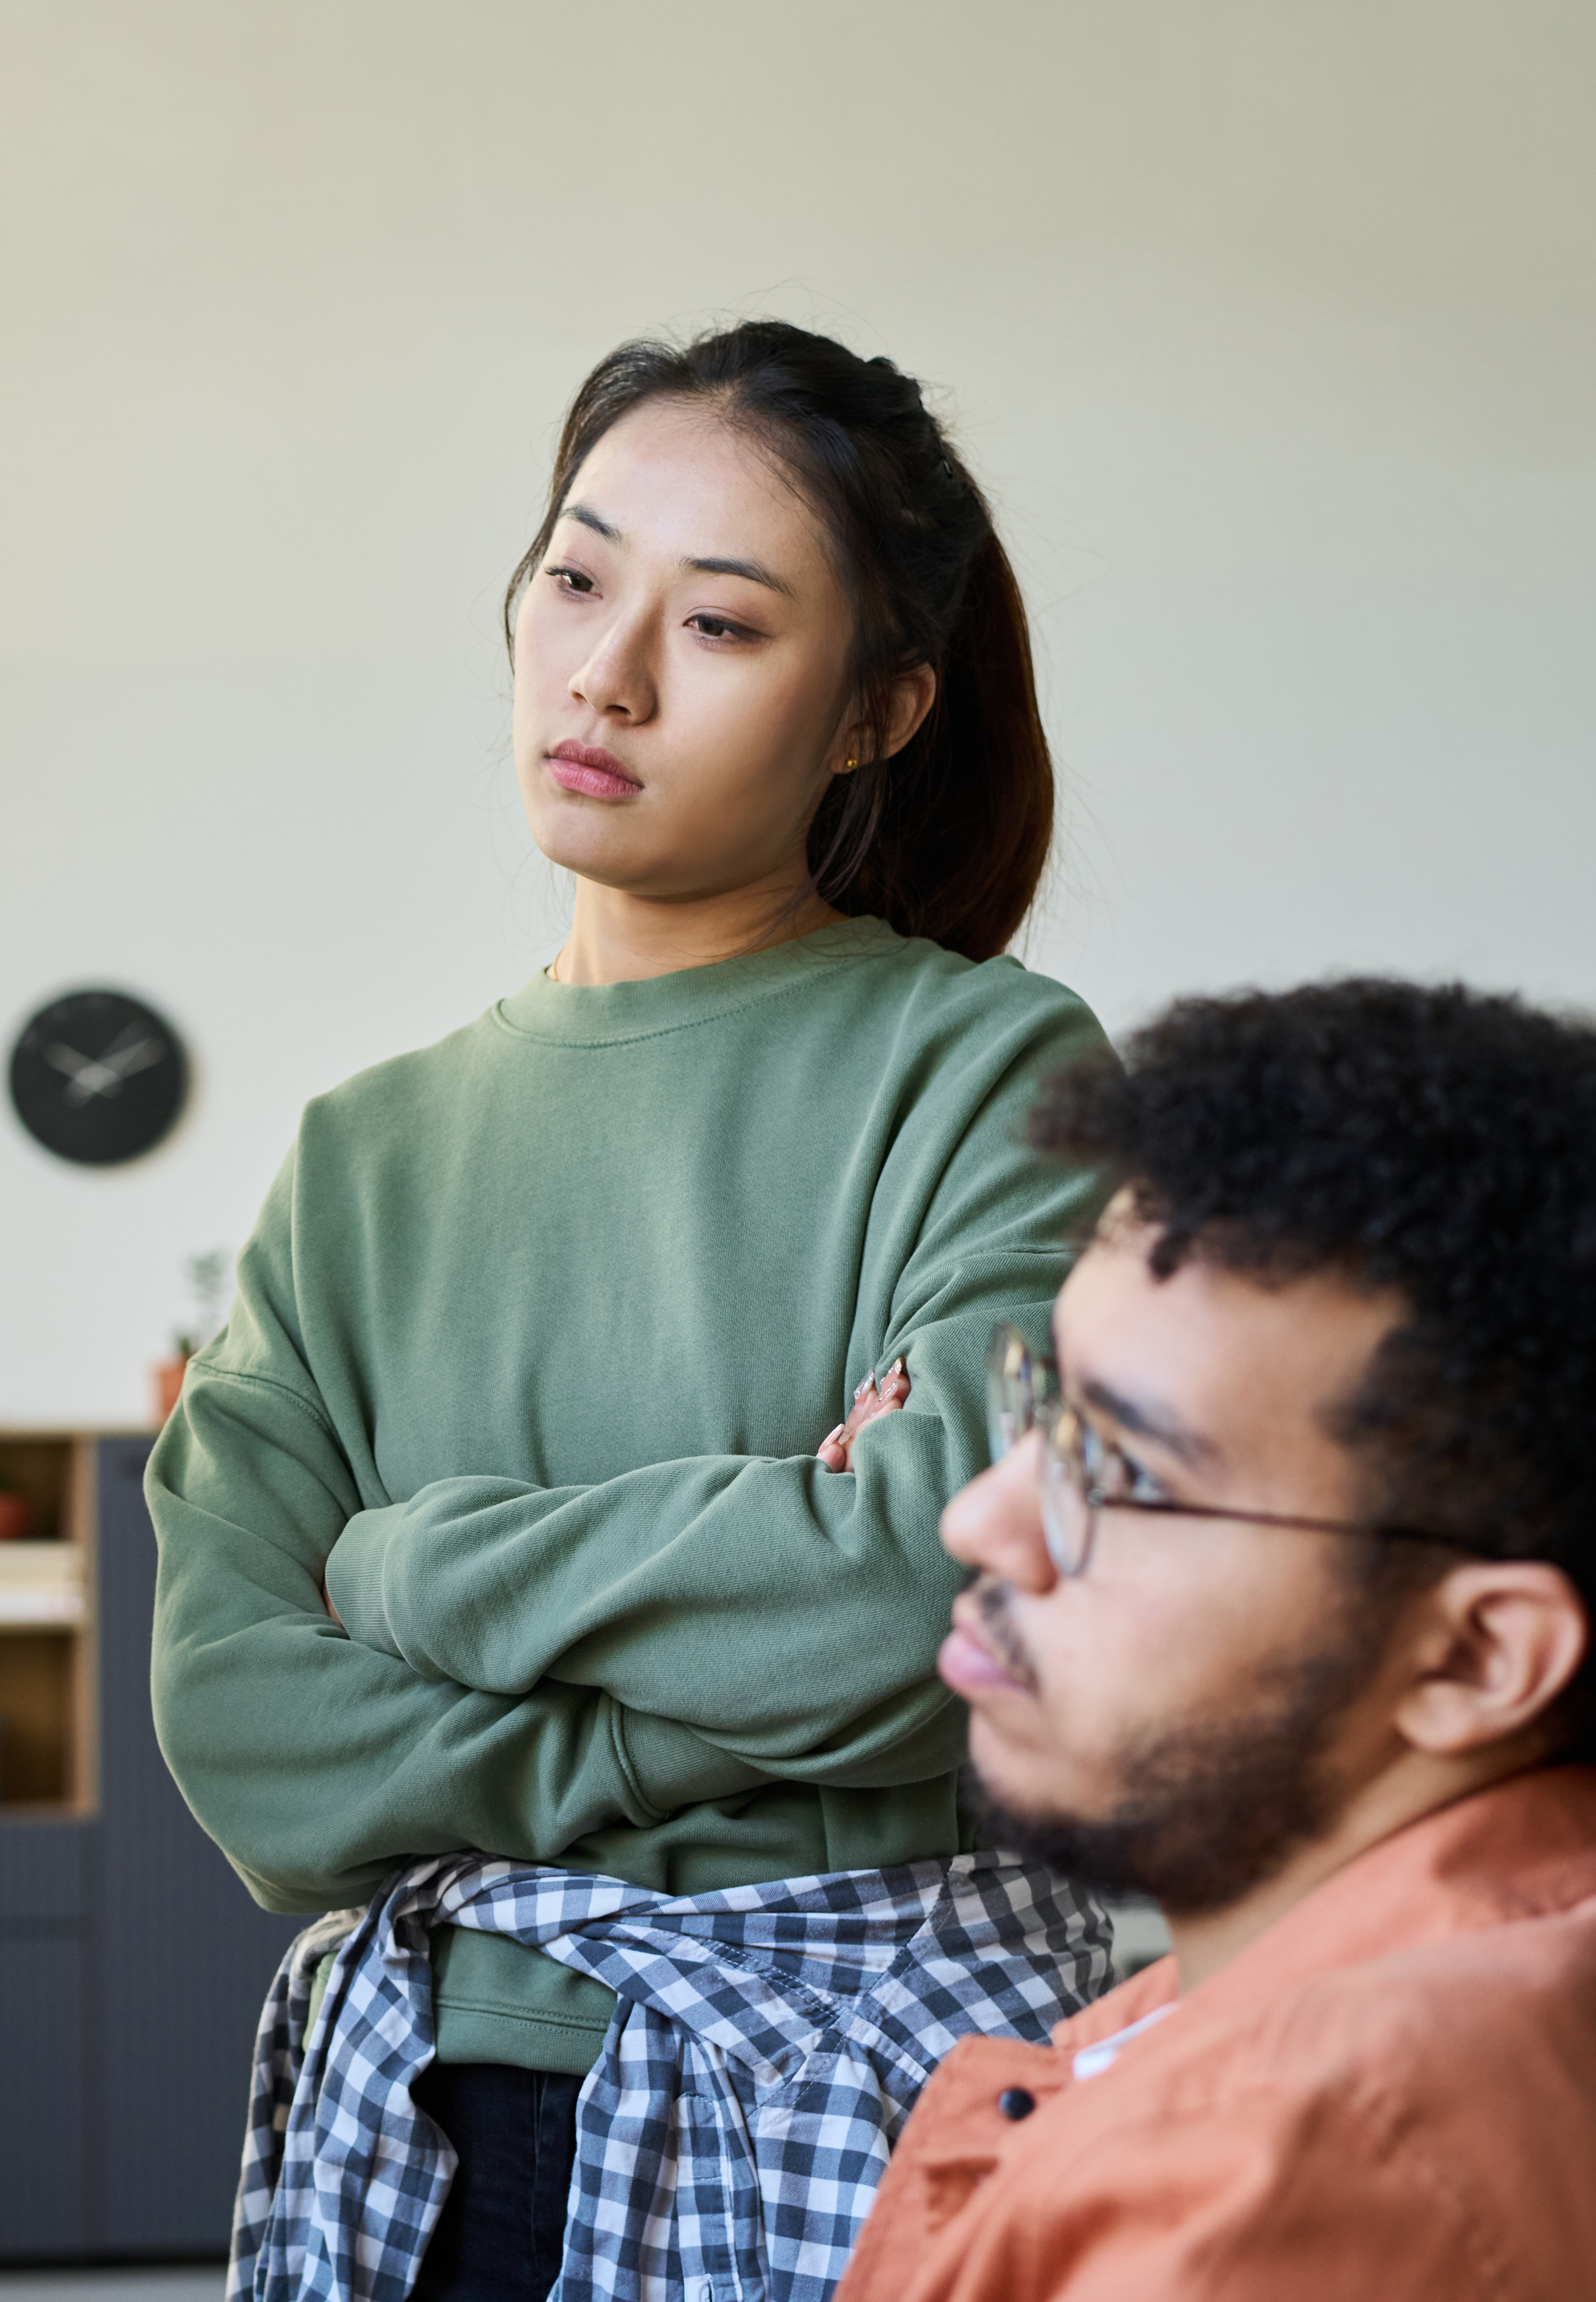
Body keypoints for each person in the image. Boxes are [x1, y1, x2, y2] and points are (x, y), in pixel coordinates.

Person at [157, 321, 1115, 2302]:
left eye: (726, 625)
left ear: (877, 711)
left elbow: (905, 1606)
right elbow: (239, 1719)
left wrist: (414, 1564)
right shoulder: (366, 1154)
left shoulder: (988, 1070)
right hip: (419, 2123)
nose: (603, 672)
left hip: (855, 2107)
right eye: (579, 578)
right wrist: (718, 1725)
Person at [840, 980, 1596, 2300]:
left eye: (1127, 1474)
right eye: (1044, 1412)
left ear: (1475, 1661)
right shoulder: (1432, 1983)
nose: (986, 1521)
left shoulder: (1292, 2183)